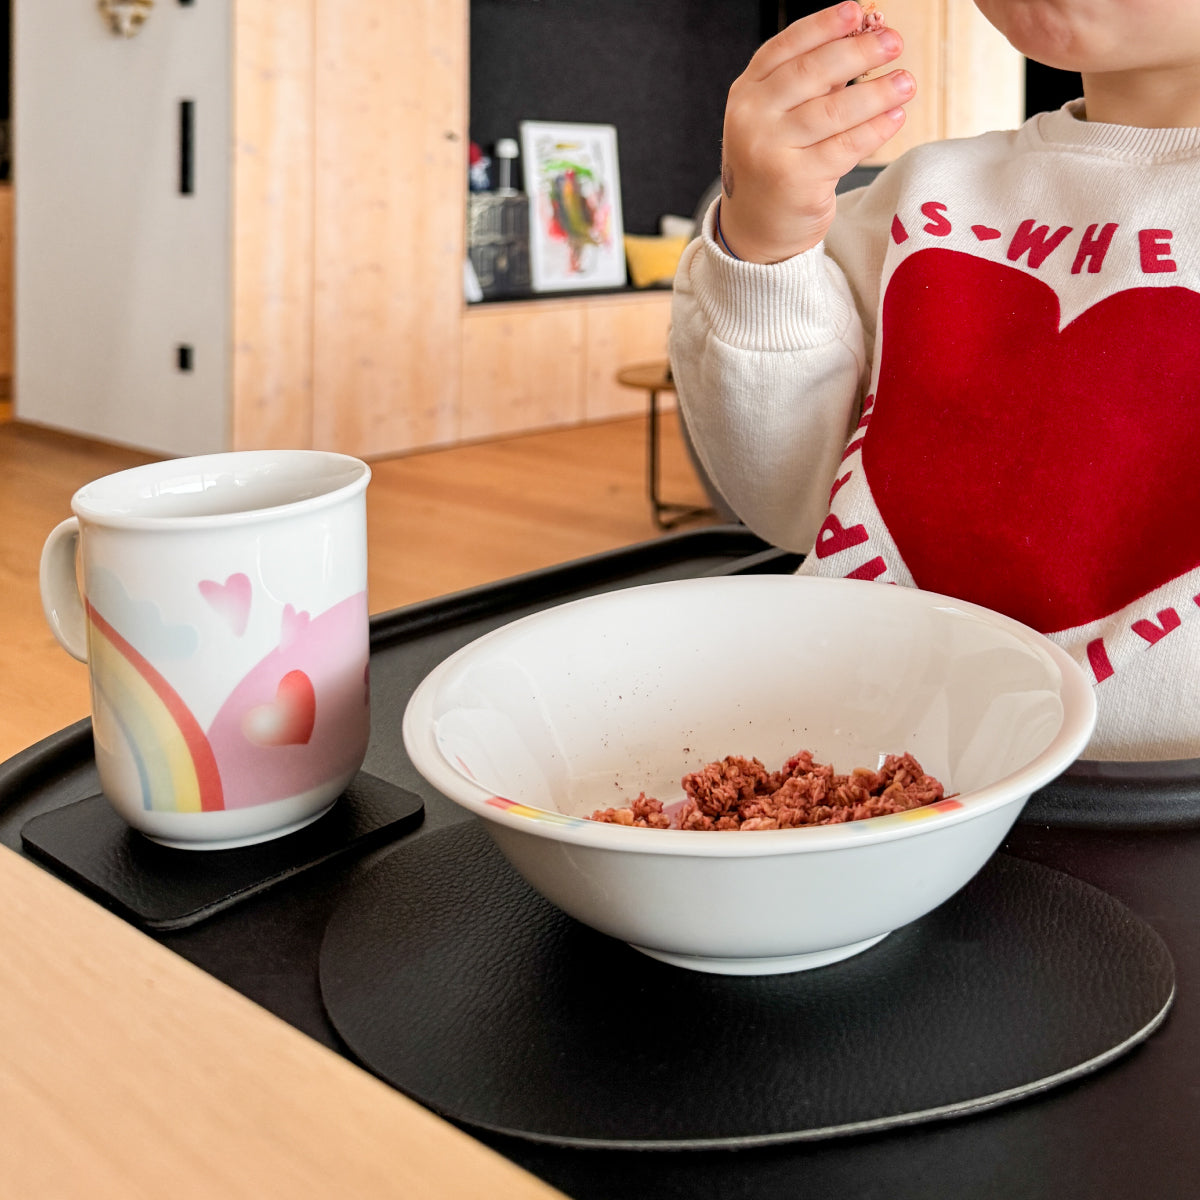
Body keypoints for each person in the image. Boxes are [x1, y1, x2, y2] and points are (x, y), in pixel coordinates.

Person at [669, 0, 1200, 761]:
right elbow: (788, 504)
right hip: (849, 761)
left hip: (1156, 831)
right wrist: (764, 248)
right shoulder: (919, 194)